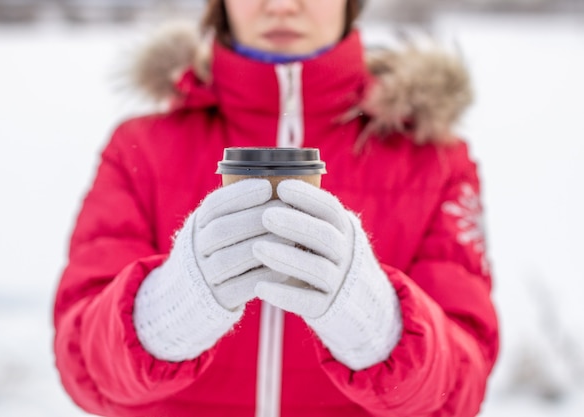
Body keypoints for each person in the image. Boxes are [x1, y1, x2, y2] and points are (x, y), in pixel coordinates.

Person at [53, 0, 499, 416]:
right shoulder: (142, 148)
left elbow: (463, 386)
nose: (283, 5)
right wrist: (166, 312)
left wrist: (377, 322)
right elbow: (81, 366)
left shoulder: (434, 159)